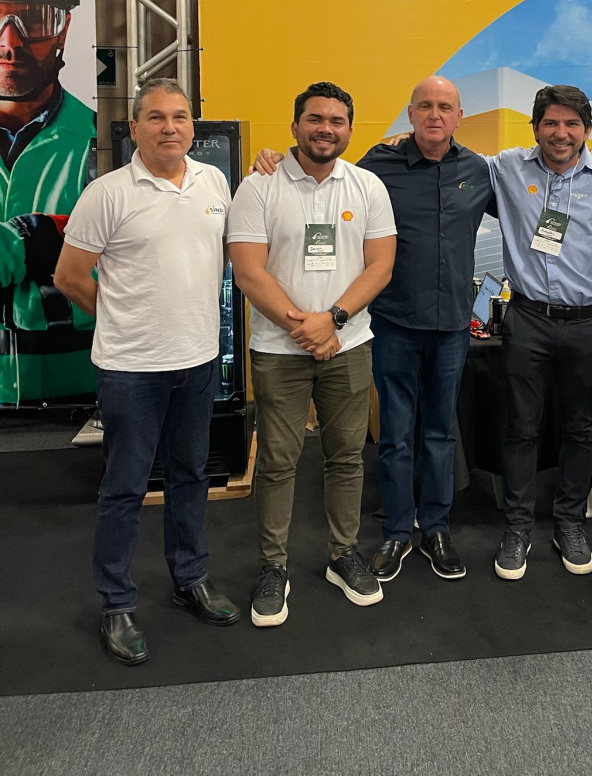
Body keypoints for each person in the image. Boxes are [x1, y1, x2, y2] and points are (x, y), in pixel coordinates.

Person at [253, 76, 496, 584]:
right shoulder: (376, 167)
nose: (435, 115)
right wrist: (270, 158)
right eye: (425, 106)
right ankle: (396, 530)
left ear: (459, 115)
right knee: (395, 435)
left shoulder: (479, 170)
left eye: (445, 107)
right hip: (392, 322)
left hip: (452, 323)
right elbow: (322, 170)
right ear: (410, 113)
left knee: (440, 432)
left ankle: (437, 528)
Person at [53, 78, 241, 666]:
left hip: (198, 359)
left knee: (189, 476)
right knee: (125, 487)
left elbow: (225, 256)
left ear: (193, 126)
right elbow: (69, 276)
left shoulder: (213, 183)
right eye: (155, 117)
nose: (169, 127)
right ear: (134, 127)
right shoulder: (106, 194)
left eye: (179, 116)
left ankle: (191, 578)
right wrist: (120, 318)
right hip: (131, 369)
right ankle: (116, 602)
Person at [228, 82, 396, 623]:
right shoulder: (259, 186)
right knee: (278, 461)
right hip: (279, 348)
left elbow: (380, 265)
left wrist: (334, 320)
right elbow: (248, 270)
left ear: (350, 129)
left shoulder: (367, 186)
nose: (326, 129)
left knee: (346, 456)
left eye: (337, 121)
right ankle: (273, 566)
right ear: (295, 125)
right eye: (315, 119)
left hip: (349, 343)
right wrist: (305, 328)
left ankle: (343, 555)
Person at [489, 85, 592, 581]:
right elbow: (447, 162)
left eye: (572, 124)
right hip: (526, 319)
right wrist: (401, 143)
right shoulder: (507, 167)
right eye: (550, 123)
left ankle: (569, 521)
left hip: (585, 324)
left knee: (581, 426)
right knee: (521, 427)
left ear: (587, 130)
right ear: (535, 128)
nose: (561, 133)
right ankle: (517, 526)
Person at [0, 0, 96, 406]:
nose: (10, 43)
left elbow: (130, 260)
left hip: (79, 388)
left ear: (64, 26)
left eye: (33, 18)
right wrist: (32, 239)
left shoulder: (103, 144)